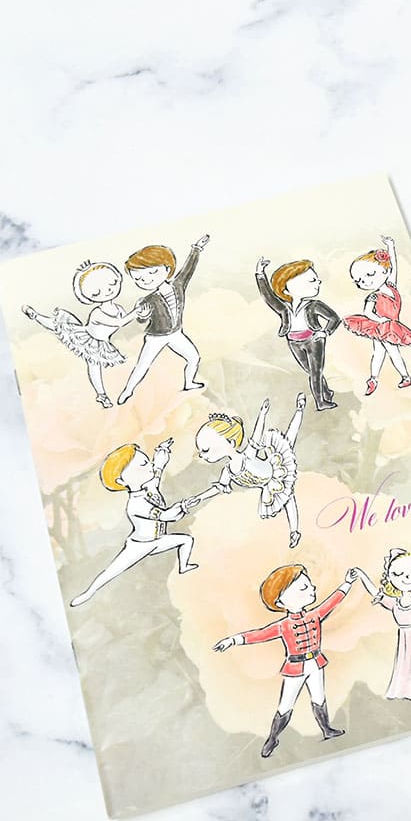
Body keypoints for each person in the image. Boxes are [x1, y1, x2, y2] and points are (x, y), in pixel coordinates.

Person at [213, 565, 356, 759]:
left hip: (315, 663)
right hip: (295, 668)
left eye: (310, 585)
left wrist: (347, 583)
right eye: (303, 587)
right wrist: (233, 640)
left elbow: (332, 602)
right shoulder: (283, 625)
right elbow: (260, 634)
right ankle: (273, 738)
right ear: (281, 601)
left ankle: (327, 729)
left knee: (319, 698)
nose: (312, 589)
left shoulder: (314, 615)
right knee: (285, 705)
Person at [70, 438, 197, 606]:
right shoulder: (136, 505)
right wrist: (182, 507)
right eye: (143, 465)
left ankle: (184, 566)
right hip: (140, 545)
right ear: (121, 481)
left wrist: (162, 453)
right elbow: (166, 516)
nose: (149, 466)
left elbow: (157, 471)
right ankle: (88, 593)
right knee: (111, 571)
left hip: (157, 541)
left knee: (186, 540)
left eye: (147, 461)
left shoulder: (149, 487)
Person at [190, 393, 306, 548]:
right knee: (285, 495)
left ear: (231, 443)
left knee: (289, 441)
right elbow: (217, 489)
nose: (202, 455)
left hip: (275, 468)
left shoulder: (247, 456)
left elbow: (257, 435)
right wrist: (198, 498)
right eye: (201, 451)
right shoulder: (228, 472)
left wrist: (262, 414)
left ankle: (299, 410)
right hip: (266, 484)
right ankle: (294, 532)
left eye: (206, 450)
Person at [22, 260, 142, 408]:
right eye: (97, 292)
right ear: (89, 297)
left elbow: (125, 320)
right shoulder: (97, 313)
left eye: (112, 284)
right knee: (58, 326)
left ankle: (102, 395)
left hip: (102, 342)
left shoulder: (118, 308)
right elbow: (119, 322)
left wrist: (139, 312)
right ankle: (35, 316)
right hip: (88, 339)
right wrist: (136, 312)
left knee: (61, 329)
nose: (108, 291)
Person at [117, 234, 210, 404]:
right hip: (155, 337)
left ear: (167, 269)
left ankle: (189, 383)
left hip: (176, 334)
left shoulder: (178, 284)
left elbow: (188, 269)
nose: (146, 280)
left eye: (152, 272)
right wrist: (142, 316)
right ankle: (127, 391)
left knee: (194, 358)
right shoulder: (147, 300)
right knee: (142, 365)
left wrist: (196, 249)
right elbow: (139, 318)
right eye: (138, 279)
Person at [351, 549, 411, 711]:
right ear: (390, 576)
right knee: (410, 669)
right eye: (398, 574)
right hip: (406, 640)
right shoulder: (394, 602)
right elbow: (374, 591)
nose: (407, 578)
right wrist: (361, 575)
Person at [255, 257, 340, 411]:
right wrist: (260, 274)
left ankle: (321, 402)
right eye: (311, 281)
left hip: (313, 340)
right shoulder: (284, 308)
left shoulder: (314, 305)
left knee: (315, 372)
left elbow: (334, 318)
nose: (318, 283)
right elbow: (268, 297)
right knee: (310, 371)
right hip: (294, 342)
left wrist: (325, 332)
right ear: (286, 290)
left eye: (316, 280)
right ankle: (326, 392)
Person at [342, 235, 411, 395]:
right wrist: (381, 320)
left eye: (369, 275)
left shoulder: (391, 286)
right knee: (391, 351)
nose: (364, 282)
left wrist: (391, 247)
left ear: (385, 271)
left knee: (380, 352)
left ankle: (374, 379)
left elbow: (394, 266)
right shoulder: (373, 296)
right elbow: (367, 312)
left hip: (389, 326)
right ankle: (403, 377)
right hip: (383, 326)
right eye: (359, 281)